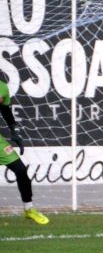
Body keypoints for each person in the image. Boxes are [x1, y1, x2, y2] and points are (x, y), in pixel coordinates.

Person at [1, 78, 49, 225]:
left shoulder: (2, 87)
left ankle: (29, 209)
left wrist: (14, 131)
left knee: (21, 170)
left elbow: (5, 111)